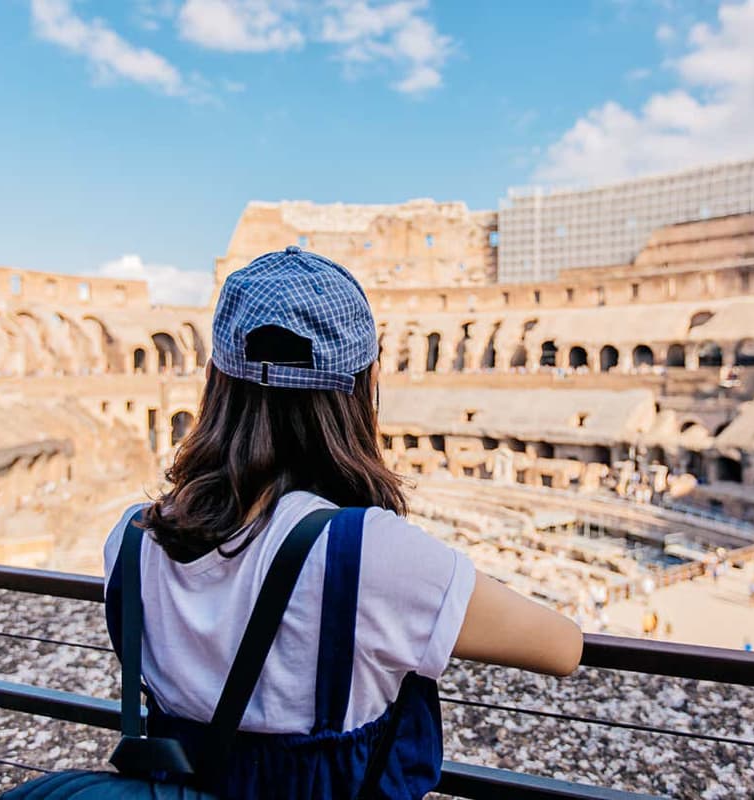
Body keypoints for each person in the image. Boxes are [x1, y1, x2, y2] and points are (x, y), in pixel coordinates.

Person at [103, 247, 583, 798]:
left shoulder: (132, 539)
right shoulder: (372, 555)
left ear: (214, 379)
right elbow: (562, 647)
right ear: (363, 385)